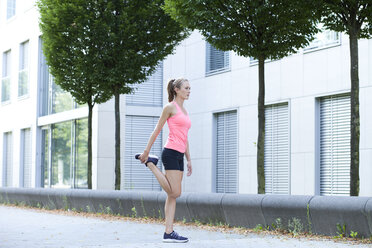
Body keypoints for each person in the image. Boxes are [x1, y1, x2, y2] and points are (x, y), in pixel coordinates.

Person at [135, 78, 192, 243]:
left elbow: (185, 137)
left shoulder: (185, 111)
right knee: (176, 192)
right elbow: (157, 130)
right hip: (170, 152)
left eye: (190, 88)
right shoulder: (170, 107)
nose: (189, 91)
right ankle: (151, 163)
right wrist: (146, 152)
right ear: (176, 89)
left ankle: (169, 232)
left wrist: (188, 158)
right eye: (186, 88)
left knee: (171, 196)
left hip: (180, 154)